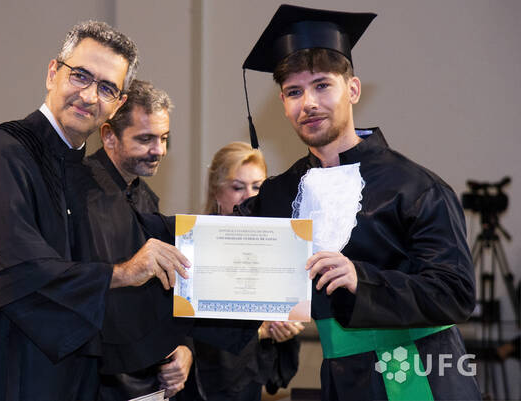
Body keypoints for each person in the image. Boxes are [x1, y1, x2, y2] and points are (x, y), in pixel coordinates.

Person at [0, 21, 190, 401]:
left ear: (118, 104)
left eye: (107, 88)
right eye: (80, 76)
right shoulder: (2, 153)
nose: (89, 95)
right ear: (53, 73)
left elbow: (136, 256)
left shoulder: (88, 179)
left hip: (66, 380)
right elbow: (17, 268)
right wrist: (121, 273)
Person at [238, 5, 481, 400]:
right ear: (283, 102)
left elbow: (456, 293)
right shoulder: (279, 195)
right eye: (294, 92)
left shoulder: (416, 187)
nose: (308, 103)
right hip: (342, 377)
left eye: (322, 85)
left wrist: (361, 279)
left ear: (352, 90)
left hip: (418, 371)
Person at [77, 79, 199, 400]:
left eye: (164, 138)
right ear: (109, 136)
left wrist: (182, 346)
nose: (159, 150)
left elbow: (160, 290)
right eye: (145, 139)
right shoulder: (76, 194)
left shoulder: (145, 197)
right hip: (92, 378)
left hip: (144, 378)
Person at [196, 141, 303, 400]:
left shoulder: (277, 251)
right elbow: (193, 337)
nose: (249, 196)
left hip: (251, 385)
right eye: (238, 187)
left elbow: (280, 367)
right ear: (216, 191)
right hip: (204, 388)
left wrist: (282, 333)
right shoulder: (195, 248)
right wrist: (260, 331)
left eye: (257, 186)